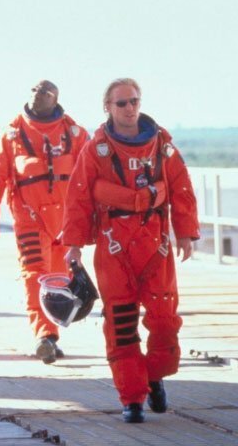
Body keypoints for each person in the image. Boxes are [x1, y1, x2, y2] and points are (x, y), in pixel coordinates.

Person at [61, 78, 200, 424]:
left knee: (165, 323)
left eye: (133, 101)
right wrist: (74, 245)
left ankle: (153, 375)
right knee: (121, 325)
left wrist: (185, 233)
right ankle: (132, 398)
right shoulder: (96, 150)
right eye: (121, 103)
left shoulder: (161, 145)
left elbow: (180, 187)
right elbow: (78, 196)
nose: (129, 108)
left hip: (156, 246)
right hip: (114, 248)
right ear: (107, 107)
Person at [0, 80, 89, 363]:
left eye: (45, 92)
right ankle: (45, 335)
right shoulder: (12, 134)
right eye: (34, 90)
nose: (37, 94)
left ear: (56, 99)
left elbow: (92, 175)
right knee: (34, 275)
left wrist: (93, 216)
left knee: (62, 278)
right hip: (29, 218)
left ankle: (53, 332)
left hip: (66, 220)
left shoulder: (74, 133)